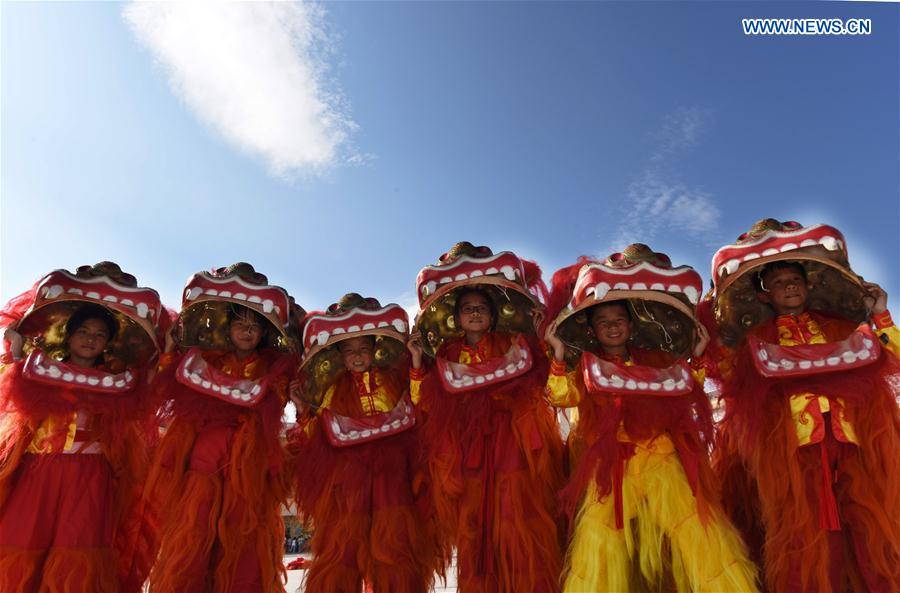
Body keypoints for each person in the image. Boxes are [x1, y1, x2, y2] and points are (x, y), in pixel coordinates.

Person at [543, 245, 758, 593]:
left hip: (662, 460)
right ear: (593, 329)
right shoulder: (585, 367)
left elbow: (685, 396)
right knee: (599, 551)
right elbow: (559, 396)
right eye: (603, 322)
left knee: (699, 538)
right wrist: (557, 355)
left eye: (618, 320)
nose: (612, 328)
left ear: (630, 324)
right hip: (610, 470)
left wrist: (700, 358)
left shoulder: (656, 361)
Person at [703, 219, 900, 593]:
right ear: (764, 295)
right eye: (778, 283)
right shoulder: (754, 342)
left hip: (853, 443)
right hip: (794, 451)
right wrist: (714, 322)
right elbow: (727, 377)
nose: (788, 286)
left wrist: (880, 315)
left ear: (808, 285)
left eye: (795, 279)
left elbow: (894, 355)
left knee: (871, 531)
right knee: (802, 539)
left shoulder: (841, 328)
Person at [409, 242, 563, 593]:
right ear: (456, 316)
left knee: (519, 522)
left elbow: (548, 387)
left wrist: (547, 345)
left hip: (514, 443)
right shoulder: (445, 354)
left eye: (481, 308)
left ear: (493, 314)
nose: (475, 314)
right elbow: (427, 406)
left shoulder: (516, 343)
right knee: (475, 530)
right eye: (467, 309)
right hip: (467, 452)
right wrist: (417, 365)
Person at [0, 262, 163, 593]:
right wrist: (14, 348)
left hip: (90, 477)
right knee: (22, 540)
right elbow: (11, 391)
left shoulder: (122, 383)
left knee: (78, 552)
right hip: (38, 470)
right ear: (69, 334)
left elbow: (146, 402)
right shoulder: (38, 372)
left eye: (99, 334)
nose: (90, 339)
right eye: (83, 332)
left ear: (108, 342)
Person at [147, 263, 299, 593]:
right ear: (227, 328)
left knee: (245, 531)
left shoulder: (275, 368)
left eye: (254, 327)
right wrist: (170, 351)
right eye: (240, 324)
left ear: (264, 333)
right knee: (195, 527)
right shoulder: (206, 359)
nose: (246, 332)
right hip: (206, 454)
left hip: (251, 458)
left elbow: (282, 400)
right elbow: (165, 385)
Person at [288, 293, 440, 593]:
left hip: (393, 476)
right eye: (349, 350)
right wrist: (303, 410)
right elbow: (316, 436)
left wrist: (417, 363)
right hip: (349, 480)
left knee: (394, 547)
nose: (357, 356)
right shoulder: (333, 390)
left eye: (363, 348)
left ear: (375, 349)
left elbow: (422, 405)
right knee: (342, 548)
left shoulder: (393, 380)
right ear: (340, 355)